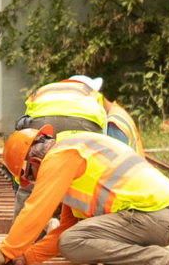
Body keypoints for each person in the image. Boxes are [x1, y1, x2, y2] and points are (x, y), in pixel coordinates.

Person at [0, 127, 169, 265]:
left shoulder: (60, 156)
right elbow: (67, 229)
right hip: (161, 216)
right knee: (73, 240)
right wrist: (24, 258)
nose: (35, 182)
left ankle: (158, 264)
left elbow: (35, 210)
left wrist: (3, 253)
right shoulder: (74, 149)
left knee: (71, 242)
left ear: (35, 163)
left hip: (154, 217)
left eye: (31, 176)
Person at [12, 74, 107, 220]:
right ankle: (83, 226)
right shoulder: (91, 93)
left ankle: (21, 230)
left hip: (41, 119)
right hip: (85, 122)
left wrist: (22, 180)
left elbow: (25, 130)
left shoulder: (43, 90)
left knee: (31, 175)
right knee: (85, 173)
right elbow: (104, 133)